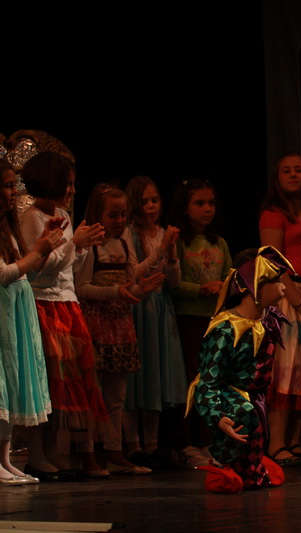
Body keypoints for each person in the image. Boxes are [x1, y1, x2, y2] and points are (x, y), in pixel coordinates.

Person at [19, 152, 107, 480]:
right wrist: (74, 245)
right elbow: (38, 268)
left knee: (64, 387)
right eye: (67, 184)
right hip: (45, 304)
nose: (72, 190)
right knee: (47, 384)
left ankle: (51, 453)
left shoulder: (62, 215)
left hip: (67, 304)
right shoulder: (32, 217)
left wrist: (80, 247)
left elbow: (68, 267)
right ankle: (36, 455)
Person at [75, 184, 166, 475]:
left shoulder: (123, 244)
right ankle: (88, 454)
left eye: (123, 214)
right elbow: (82, 288)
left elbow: (128, 284)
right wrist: (117, 292)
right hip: (95, 324)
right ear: (97, 215)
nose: (119, 220)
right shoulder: (90, 247)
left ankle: (114, 451)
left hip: (120, 324)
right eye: (113, 215)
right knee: (93, 392)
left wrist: (140, 289)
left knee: (117, 396)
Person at [190, 246, 293, 490]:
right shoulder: (226, 329)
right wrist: (217, 416)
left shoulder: (267, 320)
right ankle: (222, 463)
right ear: (254, 285)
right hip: (228, 397)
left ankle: (250, 465)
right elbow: (207, 380)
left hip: (254, 398)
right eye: (276, 281)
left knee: (254, 415)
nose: (283, 288)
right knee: (243, 410)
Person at [259, 153, 301, 467]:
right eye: (286, 171)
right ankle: (276, 443)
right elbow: (273, 260)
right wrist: (299, 302)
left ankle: (294, 440)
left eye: (299, 169)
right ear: (277, 178)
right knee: (286, 370)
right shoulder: (274, 214)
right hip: (290, 295)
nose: (293, 175)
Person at [0, 159, 65, 485]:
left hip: (17, 309)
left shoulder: (8, 226)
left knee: (13, 383)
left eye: (13, 185)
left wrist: (47, 246)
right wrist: (38, 250)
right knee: (1, 384)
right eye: (6, 186)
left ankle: (5, 459)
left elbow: (30, 268)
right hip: (4, 310)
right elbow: (4, 274)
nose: (12, 192)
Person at [122, 176, 186, 469]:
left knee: (156, 377)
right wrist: (160, 250)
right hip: (138, 307)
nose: (151, 206)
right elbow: (132, 274)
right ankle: (133, 444)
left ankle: (152, 444)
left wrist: (170, 251)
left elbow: (174, 281)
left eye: (155, 200)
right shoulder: (128, 233)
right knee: (136, 379)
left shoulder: (163, 233)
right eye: (145, 201)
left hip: (160, 309)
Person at [167, 179, 232, 467]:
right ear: (185, 207)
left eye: (211, 203)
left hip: (212, 320)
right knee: (189, 380)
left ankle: (206, 439)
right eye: (200, 203)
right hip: (186, 319)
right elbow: (172, 284)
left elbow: (230, 277)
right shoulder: (180, 242)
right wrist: (200, 289)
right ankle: (184, 441)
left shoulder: (219, 243)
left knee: (210, 380)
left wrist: (223, 285)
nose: (207, 209)